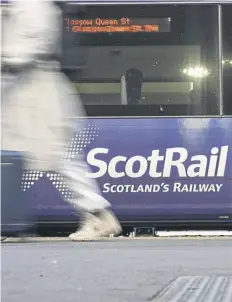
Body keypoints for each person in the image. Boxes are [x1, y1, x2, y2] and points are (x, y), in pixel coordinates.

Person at [1, 0, 122, 241]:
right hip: (18, 91)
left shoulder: (33, 4)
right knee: (15, 156)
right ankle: (8, 220)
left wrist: (7, 59)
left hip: (35, 91)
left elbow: (29, 44)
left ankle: (97, 214)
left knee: (58, 156)